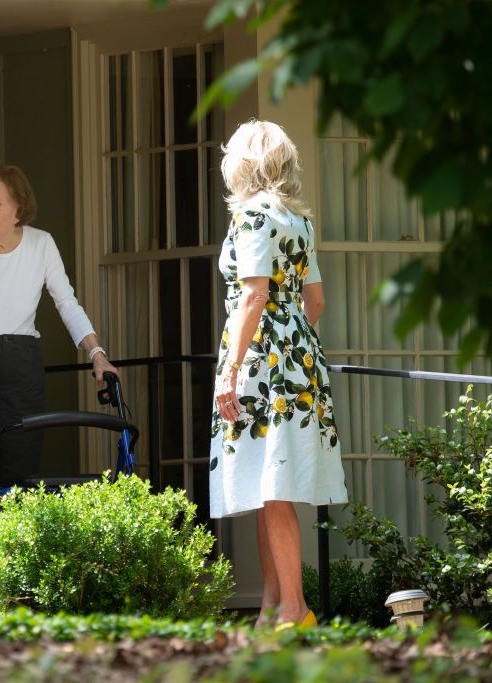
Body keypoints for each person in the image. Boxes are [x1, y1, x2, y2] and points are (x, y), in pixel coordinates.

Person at [210, 120, 348, 629]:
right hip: (299, 361)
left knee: (269, 486)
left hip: (259, 362)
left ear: (243, 164)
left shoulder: (250, 217)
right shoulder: (298, 222)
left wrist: (231, 369)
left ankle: (293, 609)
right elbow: (316, 301)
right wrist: (292, 347)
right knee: (267, 484)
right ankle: (272, 608)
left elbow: (253, 294)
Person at [0, 165, 119, 486]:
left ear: (18, 210)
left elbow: (67, 303)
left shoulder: (41, 244)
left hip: (23, 361)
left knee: (21, 465)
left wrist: (97, 354)